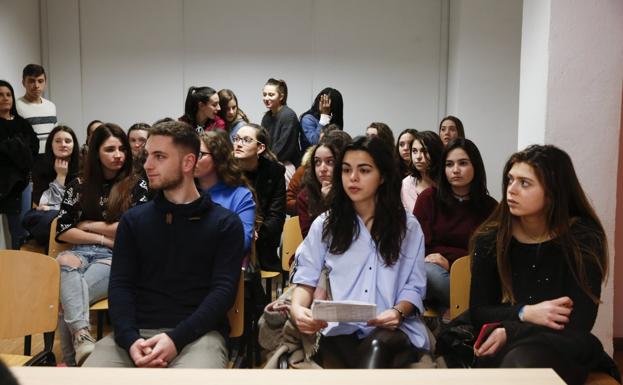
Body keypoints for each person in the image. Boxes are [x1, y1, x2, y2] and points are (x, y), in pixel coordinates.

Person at [84, 121, 244, 369]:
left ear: (188, 163)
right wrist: (129, 339)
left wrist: (175, 339)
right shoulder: (133, 221)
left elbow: (222, 294)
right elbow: (120, 286)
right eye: (148, 155)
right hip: (133, 337)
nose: (147, 164)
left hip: (198, 336)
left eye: (159, 156)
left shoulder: (225, 224)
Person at [469, 145, 616, 385]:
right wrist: (526, 313)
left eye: (524, 183)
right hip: (502, 342)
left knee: (524, 362)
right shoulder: (490, 239)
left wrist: (513, 328)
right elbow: (479, 312)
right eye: (510, 180)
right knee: (516, 362)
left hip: (562, 345)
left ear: (553, 193)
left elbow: (579, 321)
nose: (511, 190)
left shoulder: (583, 238)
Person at [290, 136, 429, 368]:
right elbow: (307, 277)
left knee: (376, 348)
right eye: (346, 170)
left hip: (392, 328)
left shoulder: (407, 226)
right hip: (340, 327)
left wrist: (397, 312)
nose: (352, 178)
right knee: (339, 349)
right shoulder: (326, 225)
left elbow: (414, 287)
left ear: (383, 176)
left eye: (364, 170)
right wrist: (297, 309)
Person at [55, 123, 149, 365]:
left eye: (122, 149)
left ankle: (72, 362)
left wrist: (86, 225)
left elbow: (131, 229)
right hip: (82, 251)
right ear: (96, 152)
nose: (118, 155)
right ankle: (81, 343)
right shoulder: (78, 184)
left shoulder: (137, 184)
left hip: (117, 256)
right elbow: (64, 231)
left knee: (68, 297)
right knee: (64, 260)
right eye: (110, 149)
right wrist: (103, 236)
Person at [413, 138, 496, 311]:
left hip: (472, 273)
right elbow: (417, 246)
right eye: (449, 164)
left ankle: (466, 315)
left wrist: (452, 263)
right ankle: (471, 314)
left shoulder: (489, 207)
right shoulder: (428, 199)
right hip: (434, 272)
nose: (455, 170)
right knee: (430, 272)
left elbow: (488, 253)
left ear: (476, 166)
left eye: (463, 163)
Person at [234, 123, 285, 272]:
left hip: (263, 241)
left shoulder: (274, 172)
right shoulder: (225, 170)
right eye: (236, 139)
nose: (238, 144)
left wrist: (256, 236)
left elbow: (276, 215)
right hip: (232, 238)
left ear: (260, 148)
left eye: (246, 140)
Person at [195, 130, 255, 254]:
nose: (193, 159)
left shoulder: (240, 195)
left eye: (200, 154)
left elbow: (243, 242)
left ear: (218, 158)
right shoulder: (183, 191)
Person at [22, 125, 80, 246]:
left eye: (68, 141)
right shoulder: (40, 164)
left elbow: (78, 203)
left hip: (74, 215)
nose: (63, 144)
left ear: (74, 145)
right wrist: (60, 176)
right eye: (58, 141)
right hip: (50, 215)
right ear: (51, 144)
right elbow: (41, 202)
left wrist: (55, 208)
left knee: (55, 219)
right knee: (31, 216)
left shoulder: (83, 166)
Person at [0, 79, 38, 249]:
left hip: (22, 184)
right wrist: (17, 146)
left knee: (21, 231)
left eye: (8, 94)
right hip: (3, 184)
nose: (5, 98)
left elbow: (32, 150)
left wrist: (10, 147)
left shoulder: (22, 123)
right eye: (0, 95)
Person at [296, 130, 351, 237]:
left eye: (330, 162)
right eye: (317, 162)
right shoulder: (305, 196)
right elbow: (314, 240)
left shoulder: (354, 190)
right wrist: (327, 204)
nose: (322, 169)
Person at [261, 78, 305, 184]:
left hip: (287, 164)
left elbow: (284, 148)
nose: (267, 98)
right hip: (271, 162)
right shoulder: (266, 117)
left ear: (281, 96)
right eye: (264, 94)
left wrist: (266, 162)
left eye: (271, 95)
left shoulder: (288, 116)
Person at [16, 64, 57, 153]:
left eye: (40, 81)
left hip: (50, 156)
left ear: (45, 82)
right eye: (31, 81)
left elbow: (55, 134)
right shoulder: (16, 106)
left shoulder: (51, 106)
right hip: (29, 158)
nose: (36, 85)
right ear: (23, 83)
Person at [401, 131, 444, 213]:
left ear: (435, 152)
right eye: (414, 151)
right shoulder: (407, 184)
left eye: (424, 151)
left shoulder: (445, 181)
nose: (418, 157)